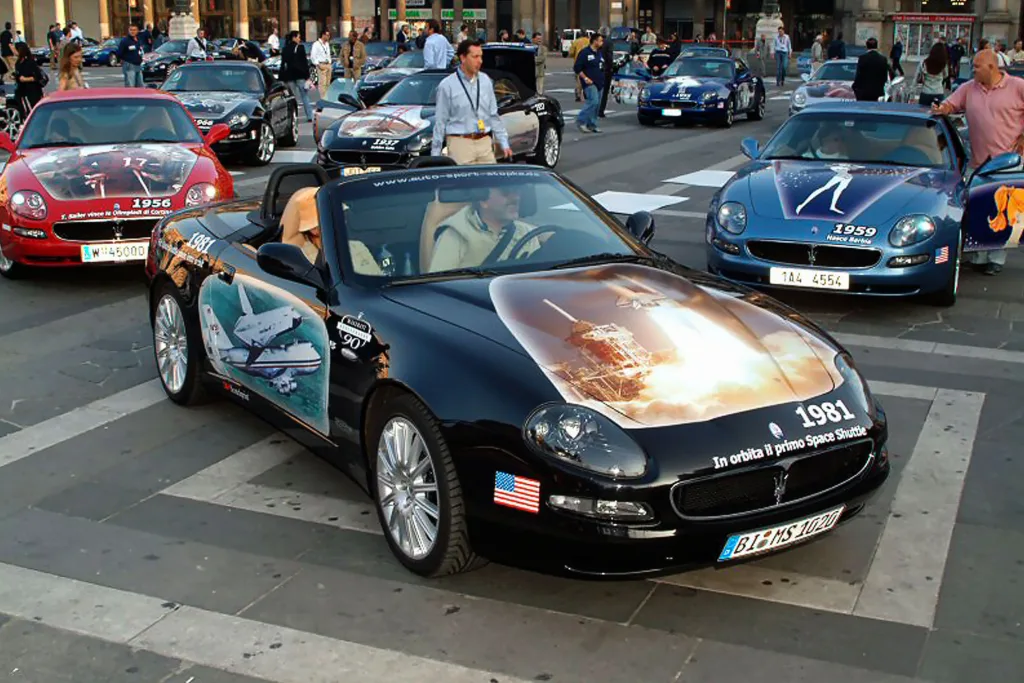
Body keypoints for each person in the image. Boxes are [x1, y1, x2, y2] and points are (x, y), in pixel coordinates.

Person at [932, 49, 1024, 275]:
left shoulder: (1017, 87)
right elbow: (950, 104)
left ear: (992, 68)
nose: (973, 70)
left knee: (1004, 211)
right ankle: (979, 255)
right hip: (979, 161)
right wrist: (941, 109)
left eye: (977, 67)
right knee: (979, 209)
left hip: (1008, 163)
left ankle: (996, 258)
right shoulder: (968, 88)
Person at [432, 39, 512, 164]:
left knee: (491, 181)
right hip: (460, 143)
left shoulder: (486, 81)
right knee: (464, 182)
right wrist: (435, 156)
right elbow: (440, 122)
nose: (479, 61)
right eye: (475, 57)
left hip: (484, 142)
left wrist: (504, 142)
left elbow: (493, 115)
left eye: (481, 56)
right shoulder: (447, 86)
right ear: (463, 58)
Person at [428, 186, 542, 273]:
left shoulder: (527, 233)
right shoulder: (456, 233)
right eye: (506, 192)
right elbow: (438, 282)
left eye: (517, 191)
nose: (516, 197)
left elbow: (540, 277)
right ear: (484, 201)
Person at [573, 32, 605, 133]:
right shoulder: (585, 52)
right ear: (594, 41)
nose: (602, 43)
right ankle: (581, 121)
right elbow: (577, 67)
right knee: (593, 101)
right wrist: (585, 78)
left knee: (597, 104)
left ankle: (592, 124)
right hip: (589, 82)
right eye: (600, 41)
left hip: (599, 82)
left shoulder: (599, 53)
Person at [280, 31, 313, 122]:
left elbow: (283, 64)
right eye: (298, 37)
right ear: (294, 38)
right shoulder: (300, 48)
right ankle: (309, 116)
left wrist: (281, 78)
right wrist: (307, 76)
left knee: (292, 98)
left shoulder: (285, 48)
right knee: (304, 96)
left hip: (289, 76)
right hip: (300, 75)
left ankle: (293, 117)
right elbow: (304, 63)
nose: (299, 39)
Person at [14, 43, 44, 113]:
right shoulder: (18, 62)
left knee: (34, 109)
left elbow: (38, 76)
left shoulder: (30, 62)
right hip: (22, 91)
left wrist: (26, 79)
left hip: (32, 90)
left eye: (15, 49)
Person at [916, 41, 948, 107]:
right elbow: (946, 75)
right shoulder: (944, 64)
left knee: (922, 113)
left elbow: (917, 76)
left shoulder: (924, 62)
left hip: (926, 92)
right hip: (939, 92)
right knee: (937, 114)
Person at [117, 23, 145, 88]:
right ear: (128, 31)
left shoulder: (138, 39)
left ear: (137, 31)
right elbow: (119, 53)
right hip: (129, 65)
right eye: (131, 30)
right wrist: (124, 60)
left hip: (138, 64)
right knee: (130, 85)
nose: (132, 31)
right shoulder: (125, 41)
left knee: (140, 85)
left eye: (134, 30)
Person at [568, 30, 590, 101]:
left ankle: (578, 94)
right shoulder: (589, 41)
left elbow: (571, 53)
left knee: (579, 80)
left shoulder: (576, 42)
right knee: (588, 78)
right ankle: (587, 93)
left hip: (578, 63)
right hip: (588, 63)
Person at [597, 26, 614, 117]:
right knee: (605, 91)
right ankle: (601, 110)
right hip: (606, 69)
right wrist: (611, 67)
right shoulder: (608, 43)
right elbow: (609, 57)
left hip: (596, 68)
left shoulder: (596, 41)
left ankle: (595, 108)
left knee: (596, 89)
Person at [310, 29, 332, 98]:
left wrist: (330, 62)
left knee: (328, 83)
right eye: (327, 35)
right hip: (321, 64)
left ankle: (327, 97)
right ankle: (323, 98)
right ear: (323, 35)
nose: (328, 37)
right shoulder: (316, 44)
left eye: (329, 35)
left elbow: (328, 54)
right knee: (322, 83)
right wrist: (318, 64)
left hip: (328, 64)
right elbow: (313, 55)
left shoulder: (327, 44)